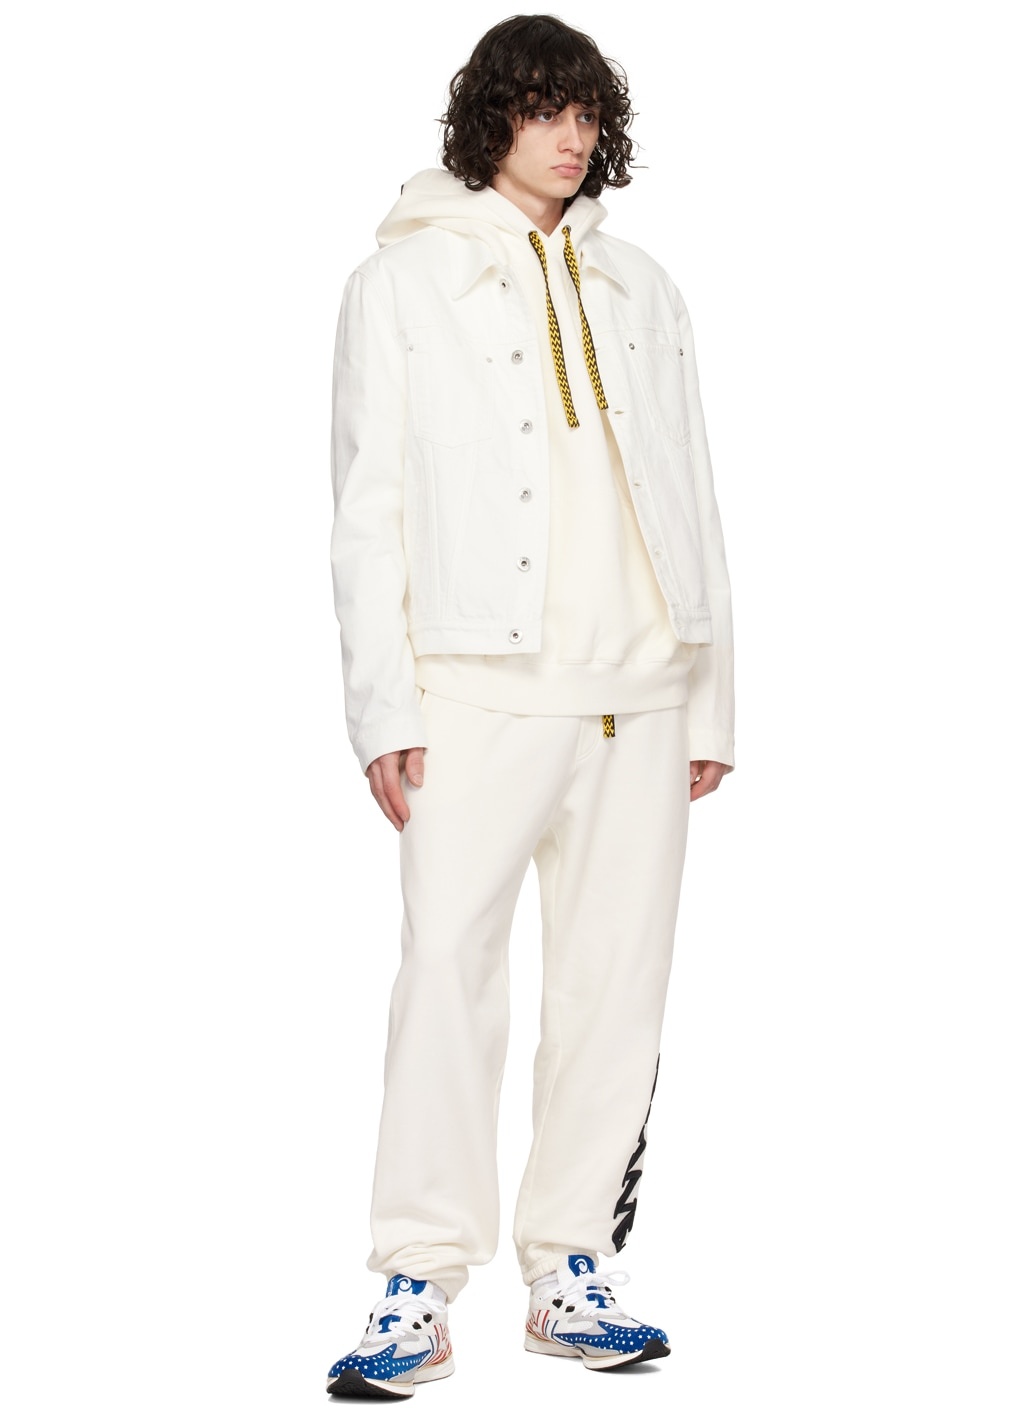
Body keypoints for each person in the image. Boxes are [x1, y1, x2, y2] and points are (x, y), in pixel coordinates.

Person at [325, 14, 734, 1399]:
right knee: (447, 973)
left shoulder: (642, 286)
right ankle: (415, 1279)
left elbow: (693, 492)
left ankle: (572, 1267)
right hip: (476, 689)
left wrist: (710, 701)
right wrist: (384, 706)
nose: (572, 136)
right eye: (545, 108)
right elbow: (366, 507)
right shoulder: (400, 284)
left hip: (641, 697)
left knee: (616, 988)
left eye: (588, 113)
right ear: (490, 118)